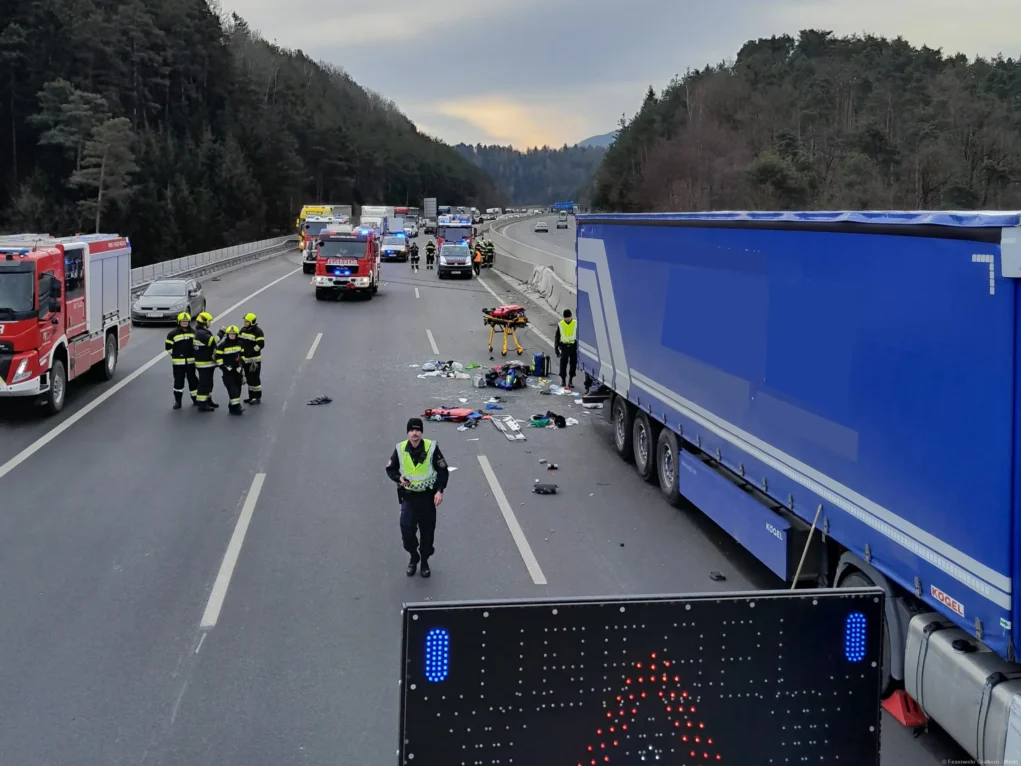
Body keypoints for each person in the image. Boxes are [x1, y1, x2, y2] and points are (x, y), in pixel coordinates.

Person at [385, 417, 449, 578]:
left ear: (421, 432)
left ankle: (425, 561)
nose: (415, 433)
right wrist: (399, 478)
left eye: (418, 430)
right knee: (407, 532)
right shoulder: (400, 449)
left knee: (427, 533)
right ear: (408, 432)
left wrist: (439, 490)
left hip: (427, 498)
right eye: (412, 430)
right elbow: (390, 469)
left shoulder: (431, 447)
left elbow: (442, 470)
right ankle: (414, 557)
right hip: (409, 498)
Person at [165, 312, 198, 409]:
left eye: (186, 321)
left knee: (193, 381)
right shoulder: (172, 334)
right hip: (178, 364)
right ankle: (178, 402)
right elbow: (168, 347)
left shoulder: (193, 332)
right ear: (179, 322)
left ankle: (195, 399)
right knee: (178, 383)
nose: (184, 323)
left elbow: (197, 346)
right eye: (183, 321)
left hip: (191, 362)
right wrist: (176, 355)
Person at [215, 325, 246, 416]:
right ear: (227, 335)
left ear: (236, 335)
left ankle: (232, 407)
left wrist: (241, 364)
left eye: (233, 334)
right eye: (230, 334)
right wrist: (223, 367)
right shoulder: (222, 345)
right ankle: (237, 406)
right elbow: (218, 358)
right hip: (228, 372)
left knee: (238, 388)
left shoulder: (240, 343)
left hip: (238, 370)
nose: (232, 335)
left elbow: (243, 355)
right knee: (232, 389)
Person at [192, 311, 220, 412]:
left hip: (207, 363)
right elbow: (212, 341)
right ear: (205, 322)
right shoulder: (201, 333)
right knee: (204, 384)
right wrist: (221, 333)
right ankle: (202, 404)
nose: (210, 323)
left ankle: (208, 400)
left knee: (208, 383)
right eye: (209, 321)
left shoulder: (201, 332)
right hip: (204, 364)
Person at [239, 312, 265, 404]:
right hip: (245, 360)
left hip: (254, 360)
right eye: (244, 321)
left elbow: (261, 344)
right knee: (248, 378)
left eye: (246, 321)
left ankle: (257, 397)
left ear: (252, 322)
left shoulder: (258, 331)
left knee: (254, 378)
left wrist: (251, 351)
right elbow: (239, 342)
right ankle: (251, 396)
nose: (244, 323)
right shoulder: (243, 330)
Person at [554, 308, 578, 389]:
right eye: (566, 318)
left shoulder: (575, 323)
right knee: (563, 364)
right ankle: (563, 380)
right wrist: (556, 348)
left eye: (568, 317)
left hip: (573, 346)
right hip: (564, 347)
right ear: (563, 317)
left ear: (571, 316)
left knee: (573, 364)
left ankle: (570, 380)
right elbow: (557, 336)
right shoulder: (561, 324)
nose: (567, 319)